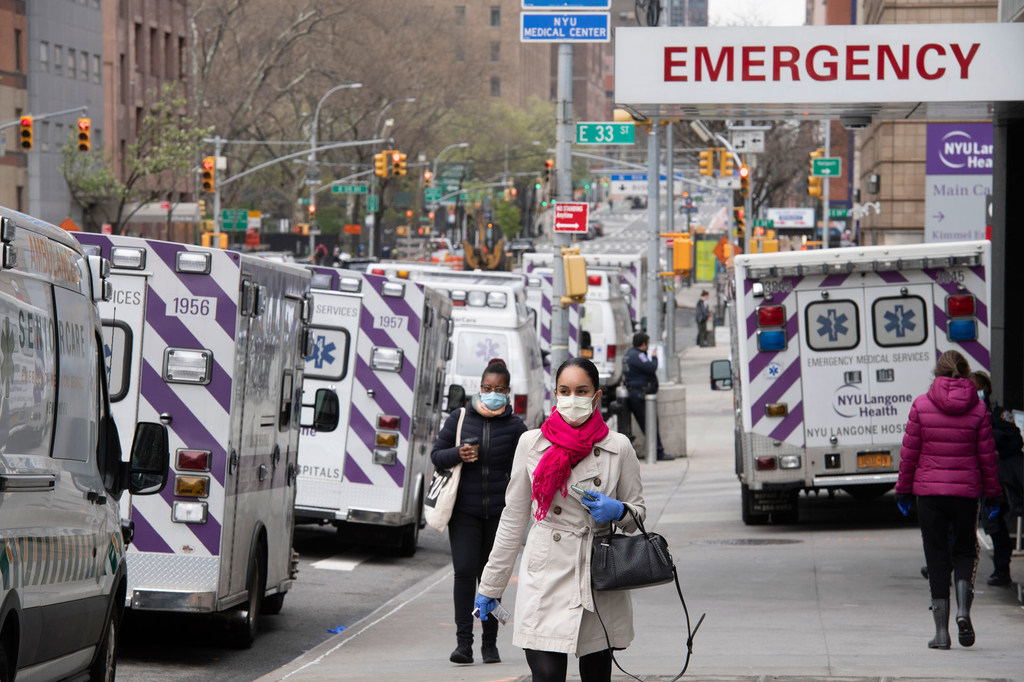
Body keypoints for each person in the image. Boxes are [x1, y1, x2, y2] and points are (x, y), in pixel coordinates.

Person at [473, 357, 646, 682]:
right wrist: (491, 585)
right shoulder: (531, 443)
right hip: (545, 574)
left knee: (596, 675)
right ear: (555, 394)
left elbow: (638, 516)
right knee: (548, 674)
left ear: (596, 397)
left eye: (582, 391)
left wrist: (618, 510)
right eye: (565, 391)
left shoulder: (618, 447)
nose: (572, 399)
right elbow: (513, 519)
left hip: (596, 577)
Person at [894, 350, 1003, 650]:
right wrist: (993, 494)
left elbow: (910, 454)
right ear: (967, 374)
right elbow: (987, 458)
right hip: (965, 495)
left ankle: (941, 633)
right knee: (965, 550)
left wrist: (903, 490)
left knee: (937, 556)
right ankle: (964, 610)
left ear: (937, 373)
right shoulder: (979, 410)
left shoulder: (921, 405)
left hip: (929, 495)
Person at [430, 359, 527, 665]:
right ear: (480, 388)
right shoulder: (459, 418)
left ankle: (489, 644)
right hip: (464, 512)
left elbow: (523, 468)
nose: (492, 394)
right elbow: (437, 456)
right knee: (464, 572)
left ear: (507, 392)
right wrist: (458, 454)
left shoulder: (516, 427)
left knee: (492, 577)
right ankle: (463, 644)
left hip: (499, 513)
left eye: (499, 389)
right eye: (487, 388)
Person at [971, 371, 1023, 587]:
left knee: (995, 523)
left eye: (977, 388)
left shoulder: (999, 414)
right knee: (984, 524)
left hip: (1001, 480)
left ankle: (1002, 570)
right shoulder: (966, 414)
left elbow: (1015, 441)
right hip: (975, 479)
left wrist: (991, 440)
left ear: (986, 390)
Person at [622, 332, 666, 460]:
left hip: (633, 392)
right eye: (647, 343)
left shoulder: (629, 354)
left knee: (646, 423)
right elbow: (651, 368)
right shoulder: (639, 355)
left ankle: (657, 451)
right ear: (643, 344)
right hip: (639, 394)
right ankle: (658, 452)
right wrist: (654, 357)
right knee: (650, 423)